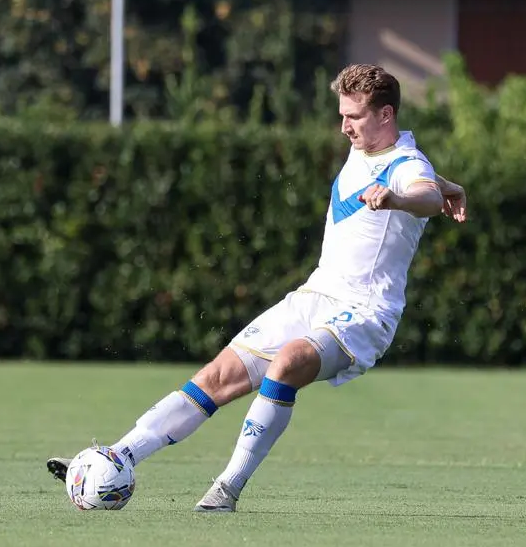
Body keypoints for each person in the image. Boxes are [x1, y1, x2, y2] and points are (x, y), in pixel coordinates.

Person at [46, 63, 467, 512]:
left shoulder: (407, 167)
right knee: (215, 376)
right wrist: (452, 186)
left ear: (386, 115)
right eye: (341, 115)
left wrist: (405, 197)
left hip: (365, 313)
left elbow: (421, 192)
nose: (344, 127)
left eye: (355, 117)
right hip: (314, 296)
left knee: (287, 363)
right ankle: (119, 455)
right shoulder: (372, 148)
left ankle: (225, 489)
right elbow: (430, 182)